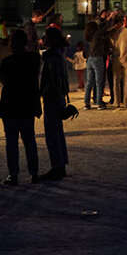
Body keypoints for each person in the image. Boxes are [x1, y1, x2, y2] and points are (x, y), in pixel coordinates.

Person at [0, 29, 41, 186]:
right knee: (29, 140)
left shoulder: (7, 63)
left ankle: (14, 174)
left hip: (10, 105)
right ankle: (34, 172)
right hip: (27, 105)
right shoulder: (33, 60)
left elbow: (3, 80)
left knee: (12, 142)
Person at [40, 27, 69, 180]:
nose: (43, 40)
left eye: (45, 38)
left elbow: (51, 81)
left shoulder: (52, 58)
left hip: (52, 98)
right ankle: (60, 165)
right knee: (57, 132)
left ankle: (57, 166)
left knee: (52, 133)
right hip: (57, 97)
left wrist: (43, 91)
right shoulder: (59, 56)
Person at [109, 13, 127, 109]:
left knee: (116, 81)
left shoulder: (112, 33)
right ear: (123, 22)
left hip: (115, 59)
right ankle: (126, 102)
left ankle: (116, 102)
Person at [84, 20, 108, 110]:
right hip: (97, 58)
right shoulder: (97, 35)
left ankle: (86, 103)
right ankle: (99, 103)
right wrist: (109, 19)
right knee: (99, 82)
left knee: (89, 82)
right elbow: (104, 29)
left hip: (89, 59)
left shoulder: (88, 36)